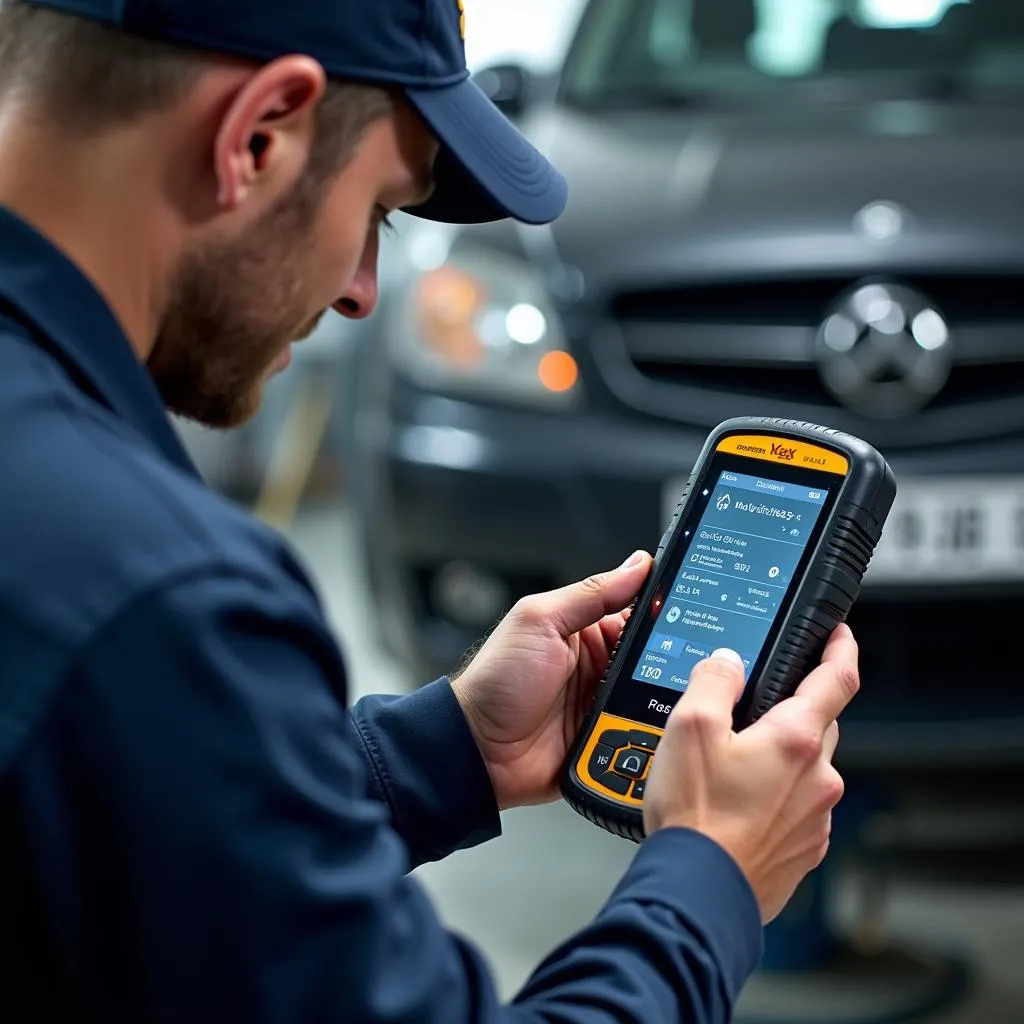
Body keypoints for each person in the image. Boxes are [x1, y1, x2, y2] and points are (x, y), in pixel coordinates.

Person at [0, 0, 859, 1021]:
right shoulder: (158, 593)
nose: (363, 289)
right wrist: (711, 873)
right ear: (258, 135)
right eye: (376, 210)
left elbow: (118, 817)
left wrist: (443, 753)